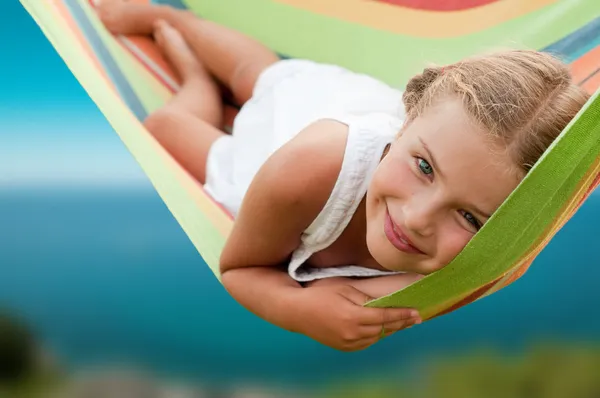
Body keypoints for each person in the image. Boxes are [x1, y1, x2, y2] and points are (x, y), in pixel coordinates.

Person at [96, 0, 590, 352]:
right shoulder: (311, 165)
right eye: (423, 168)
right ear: (408, 114)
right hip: (285, 145)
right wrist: (298, 310)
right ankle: (173, 28)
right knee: (254, 78)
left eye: (470, 217)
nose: (417, 218)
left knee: (259, 76)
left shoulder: (487, 262)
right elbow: (240, 270)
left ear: (506, 234)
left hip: (352, 138)